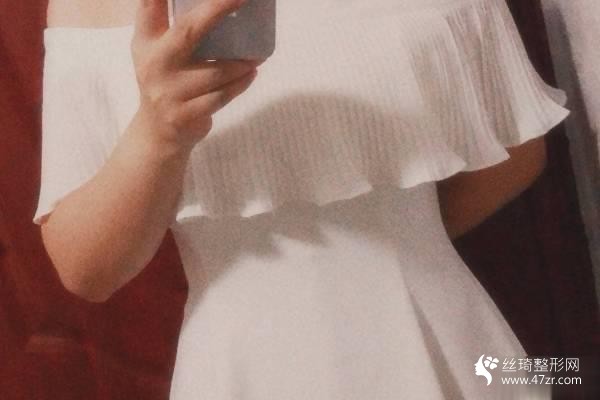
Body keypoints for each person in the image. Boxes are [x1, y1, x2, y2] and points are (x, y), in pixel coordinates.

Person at [35, 0, 568, 398]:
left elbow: (515, 152)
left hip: (452, 351)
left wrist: (384, 243)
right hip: (245, 372)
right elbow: (87, 268)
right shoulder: (91, 5)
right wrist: (157, 134)